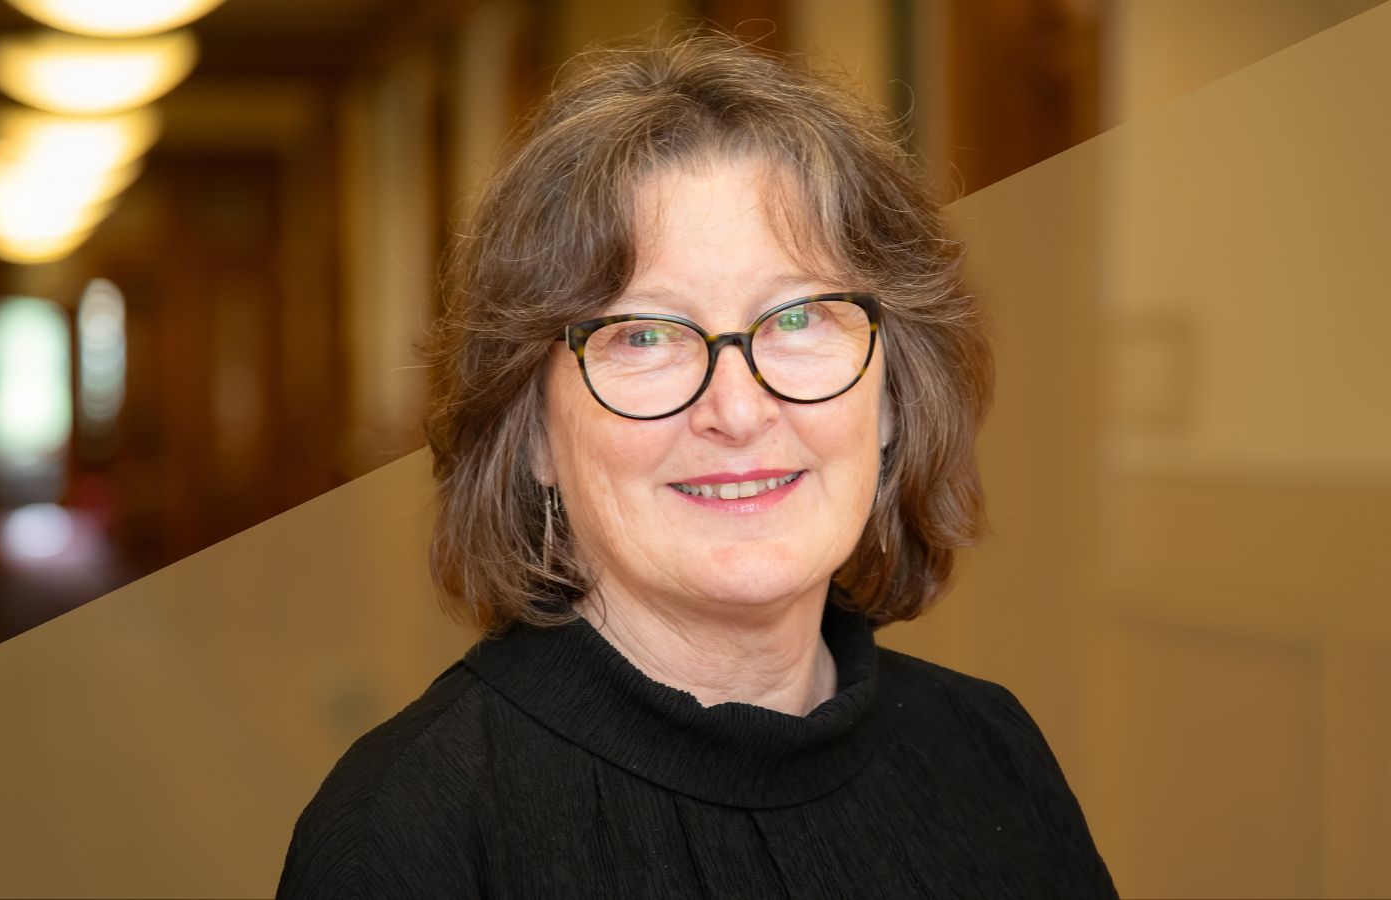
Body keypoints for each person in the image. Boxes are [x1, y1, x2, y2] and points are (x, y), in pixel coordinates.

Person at [278, 30, 1116, 899]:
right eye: (644, 335)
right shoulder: (407, 833)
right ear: (531, 433)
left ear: (894, 394)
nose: (739, 410)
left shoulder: (990, 747)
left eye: (798, 318)